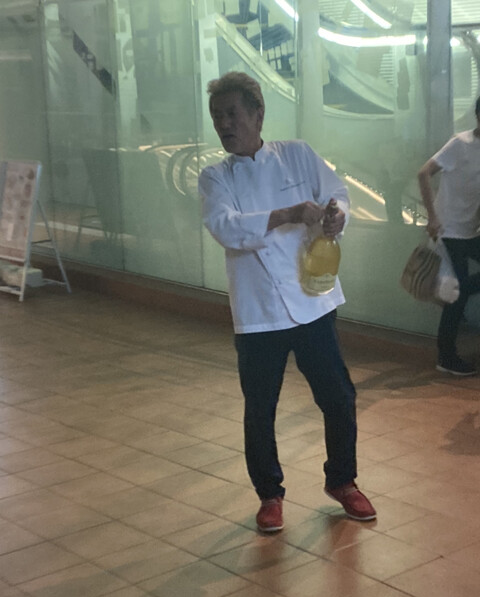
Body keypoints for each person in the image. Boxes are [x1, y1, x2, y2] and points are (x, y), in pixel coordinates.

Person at [198, 71, 376, 532]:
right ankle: (270, 494)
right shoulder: (215, 177)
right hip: (258, 313)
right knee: (260, 409)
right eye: (217, 116)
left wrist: (337, 216)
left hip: (312, 301)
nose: (224, 124)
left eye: (232, 113)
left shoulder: (296, 154)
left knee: (339, 396)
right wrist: (288, 214)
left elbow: (338, 193)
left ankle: (342, 481)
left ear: (258, 114)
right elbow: (226, 228)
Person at [418, 97, 480, 376]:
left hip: (470, 231)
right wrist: (432, 217)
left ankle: (459, 289)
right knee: (457, 295)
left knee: (460, 290)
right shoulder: (460, 143)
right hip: (449, 230)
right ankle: (446, 356)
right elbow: (424, 173)